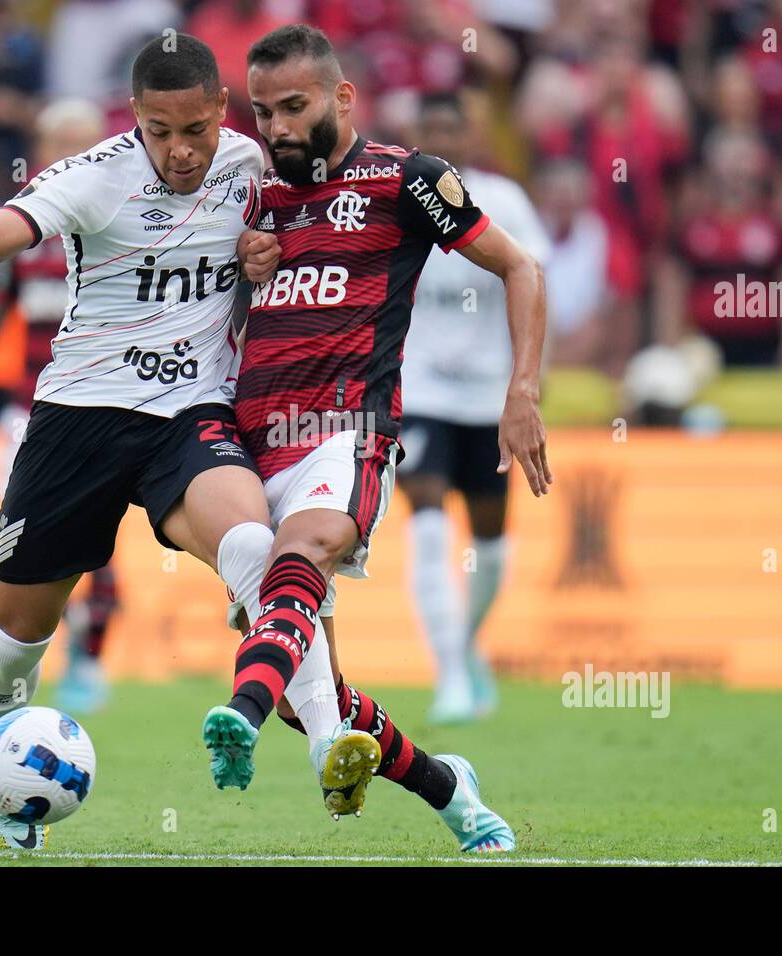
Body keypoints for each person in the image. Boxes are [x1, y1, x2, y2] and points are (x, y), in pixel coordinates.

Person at [0, 33, 379, 850]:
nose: (181, 149)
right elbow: (13, 224)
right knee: (15, 642)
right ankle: (3, 764)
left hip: (191, 414)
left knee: (258, 544)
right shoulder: (96, 175)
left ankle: (325, 740)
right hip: (79, 420)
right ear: (135, 118)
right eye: (161, 130)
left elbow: (319, 219)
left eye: (196, 130)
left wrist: (260, 257)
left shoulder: (249, 165)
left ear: (220, 114)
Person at [205, 24, 554, 852]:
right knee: (305, 687)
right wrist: (241, 265)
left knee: (307, 549)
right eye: (264, 112)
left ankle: (243, 718)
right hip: (251, 445)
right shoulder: (251, 196)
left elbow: (521, 266)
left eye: (295, 107)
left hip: (346, 430)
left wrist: (523, 389)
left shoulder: (409, 181)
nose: (280, 127)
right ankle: (447, 788)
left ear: (342, 97)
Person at [0, 97, 120, 716]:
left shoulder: (117, 226)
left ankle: (89, 662)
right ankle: (23, 654)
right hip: (29, 408)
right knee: (22, 534)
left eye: (85, 142)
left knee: (95, 537)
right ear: (44, 153)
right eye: (61, 143)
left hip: (101, 406)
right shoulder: (28, 235)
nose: (73, 154)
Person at [398, 90, 552, 724]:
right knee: (428, 524)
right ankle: (451, 676)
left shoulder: (505, 200)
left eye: (449, 129)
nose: (441, 141)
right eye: (427, 129)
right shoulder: (401, 197)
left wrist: (530, 382)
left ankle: (464, 647)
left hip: (489, 396)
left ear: (472, 136)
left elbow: (533, 278)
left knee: (490, 544)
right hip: (421, 394)